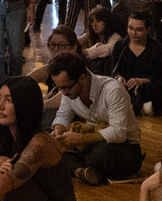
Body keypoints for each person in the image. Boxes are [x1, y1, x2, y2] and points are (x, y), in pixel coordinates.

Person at [45, 51, 140, 185]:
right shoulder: (68, 92)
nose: (63, 93)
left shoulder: (112, 90)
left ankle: (74, 167)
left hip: (124, 146)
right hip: (90, 144)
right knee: (49, 142)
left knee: (105, 153)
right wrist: (58, 131)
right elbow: (63, 115)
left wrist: (81, 138)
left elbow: (119, 133)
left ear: (82, 78)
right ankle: (81, 171)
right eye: (59, 88)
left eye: (66, 88)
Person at [113, 13, 162, 115]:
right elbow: (113, 71)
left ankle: (136, 107)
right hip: (126, 90)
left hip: (148, 90)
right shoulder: (119, 46)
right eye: (130, 28)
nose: (133, 33)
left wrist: (141, 81)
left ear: (148, 30)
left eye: (139, 30)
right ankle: (139, 108)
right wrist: (118, 77)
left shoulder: (158, 49)